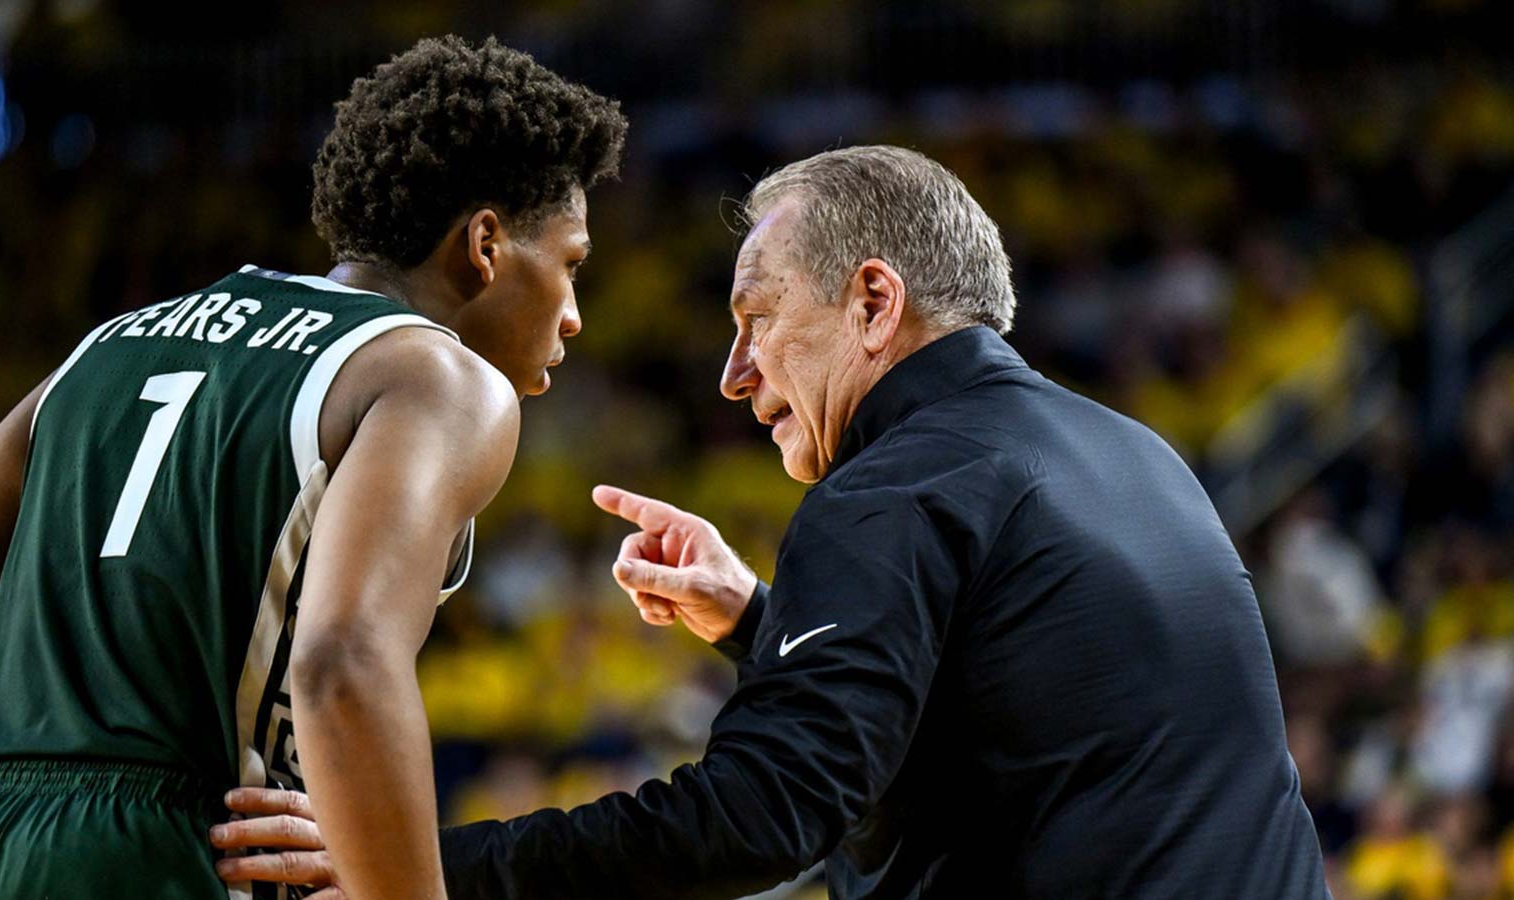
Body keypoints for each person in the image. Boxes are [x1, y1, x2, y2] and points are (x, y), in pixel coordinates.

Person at [216, 145, 1330, 898]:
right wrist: (763, 620)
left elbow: (761, 814)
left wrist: (408, 864)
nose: (733, 375)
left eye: (757, 317)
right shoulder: (1131, 453)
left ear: (875, 304)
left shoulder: (896, 487)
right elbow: (1015, 707)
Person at [0, 35, 626, 900]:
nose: (576, 314)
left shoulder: (106, 347)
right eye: (571, 265)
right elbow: (342, 661)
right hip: (177, 855)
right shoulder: (437, 377)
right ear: (484, 244)